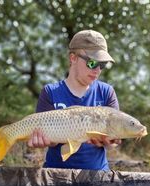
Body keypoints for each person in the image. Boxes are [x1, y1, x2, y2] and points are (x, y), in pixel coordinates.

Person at [27, 29, 121, 170]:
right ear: (73, 58)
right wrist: (45, 141)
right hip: (55, 174)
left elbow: (114, 140)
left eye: (102, 64)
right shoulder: (50, 92)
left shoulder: (107, 92)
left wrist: (110, 141)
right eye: (92, 63)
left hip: (98, 175)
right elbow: (50, 141)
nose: (97, 70)